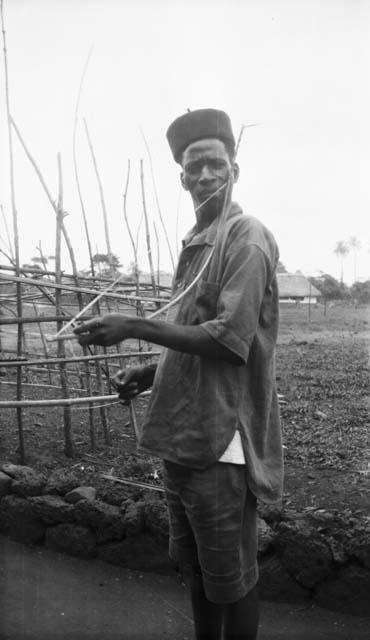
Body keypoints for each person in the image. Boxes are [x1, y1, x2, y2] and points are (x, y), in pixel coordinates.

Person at [74, 108, 283, 640]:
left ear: (235, 168)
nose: (206, 175)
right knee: (196, 570)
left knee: (231, 581)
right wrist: (149, 371)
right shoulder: (199, 241)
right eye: (196, 167)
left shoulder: (246, 237)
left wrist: (135, 326)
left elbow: (230, 341)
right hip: (182, 436)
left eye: (217, 164)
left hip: (221, 444)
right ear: (182, 177)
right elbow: (195, 336)